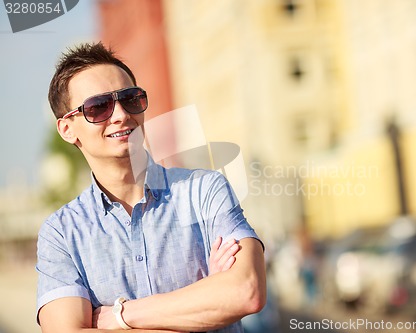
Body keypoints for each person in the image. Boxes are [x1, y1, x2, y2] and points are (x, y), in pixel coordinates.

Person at [36, 42, 266, 333]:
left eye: (130, 99)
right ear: (67, 129)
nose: (120, 115)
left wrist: (119, 317)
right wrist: (203, 305)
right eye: (98, 107)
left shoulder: (204, 190)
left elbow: (246, 292)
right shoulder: (61, 233)